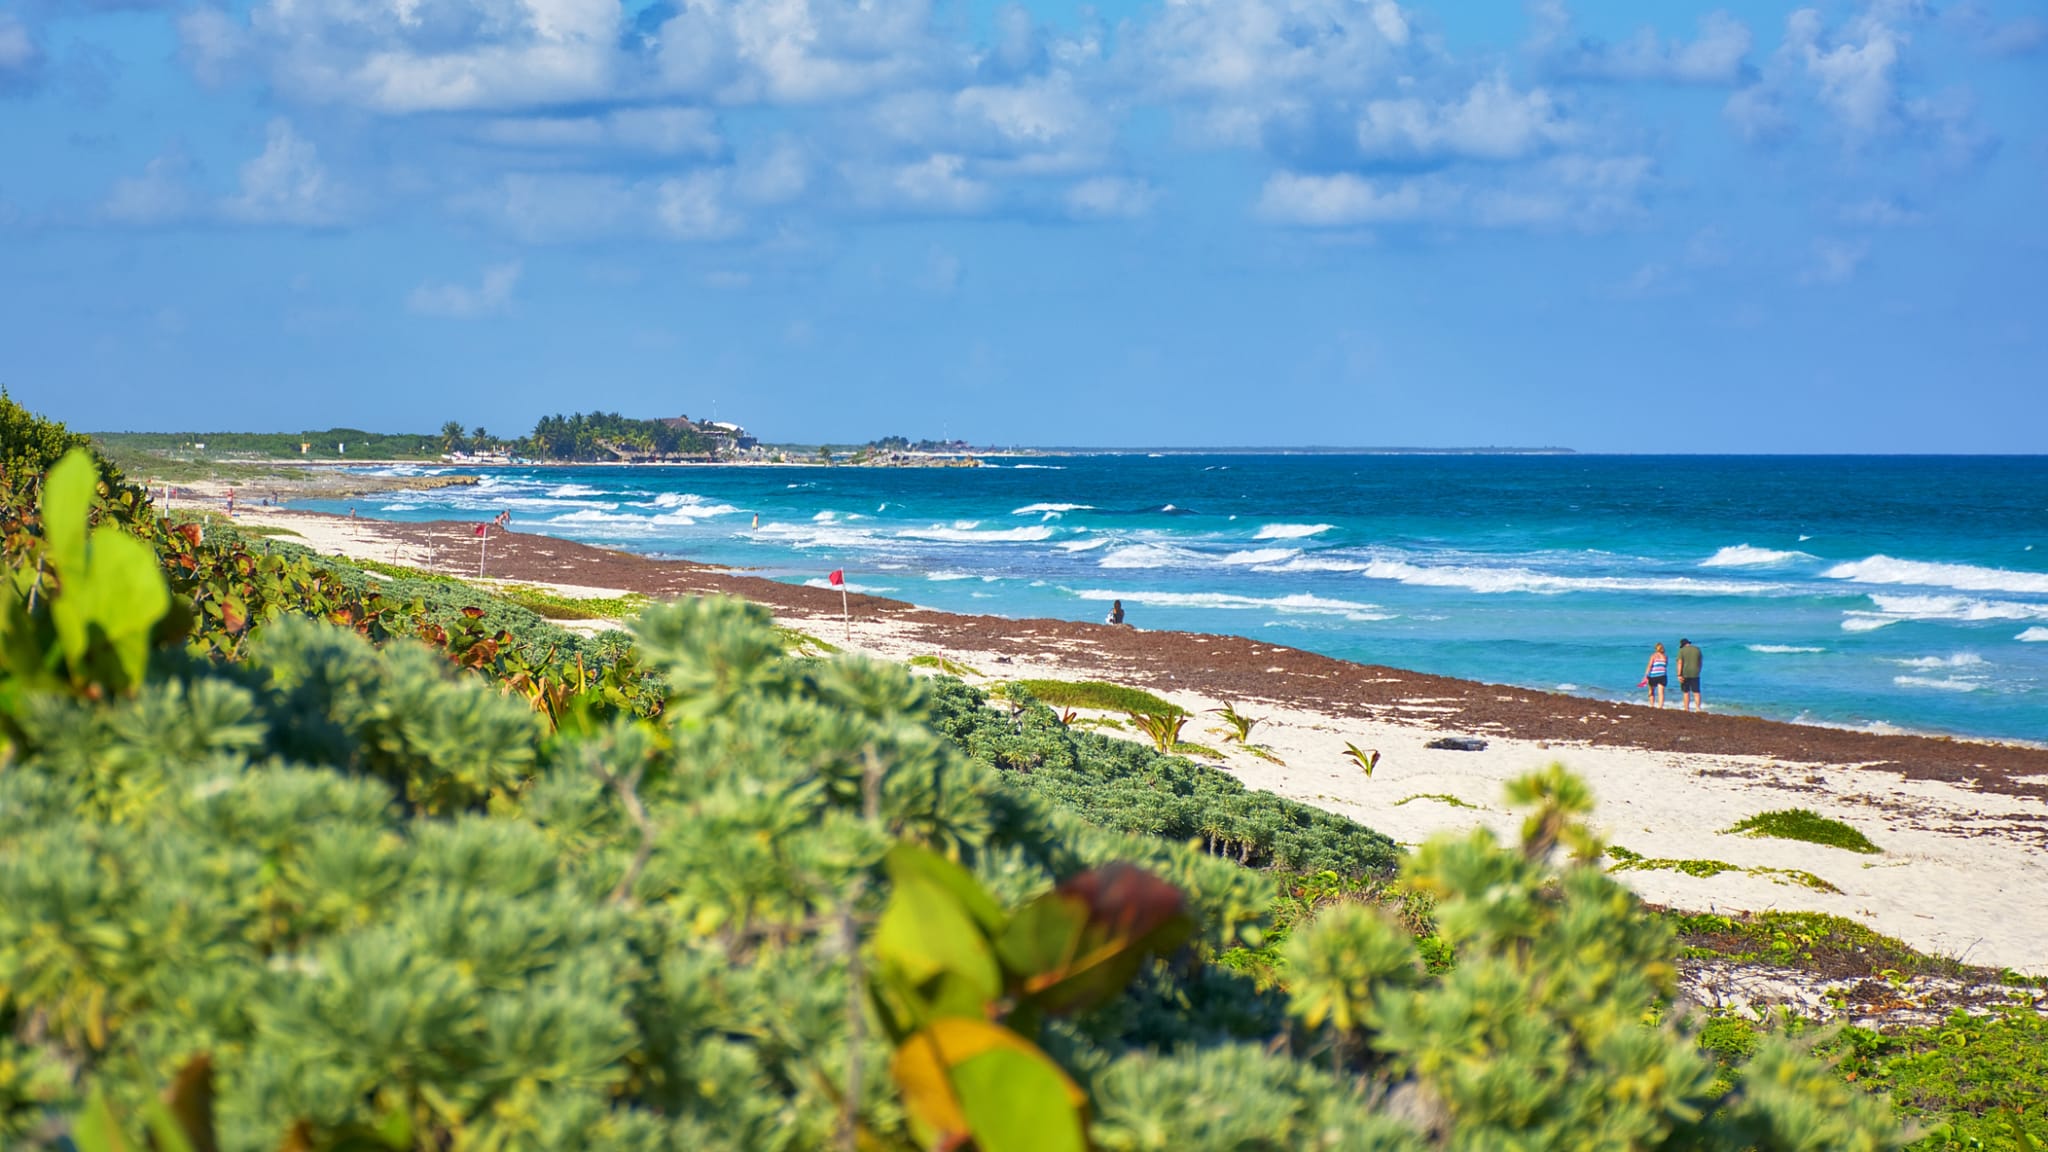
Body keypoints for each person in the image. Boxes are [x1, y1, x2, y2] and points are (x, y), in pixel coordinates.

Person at [1677, 638, 1704, 712]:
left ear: (1683, 645)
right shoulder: (1697, 649)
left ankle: (1686, 708)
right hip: (1695, 673)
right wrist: (1698, 670)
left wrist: (1679, 674)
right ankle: (1698, 708)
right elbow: (1700, 662)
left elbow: (1680, 663)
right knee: (1696, 692)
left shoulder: (1681, 651)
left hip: (1685, 673)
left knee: (1686, 692)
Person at [1643, 642, 1668, 707]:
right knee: (1661, 693)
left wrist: (1646, 675)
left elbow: (1649, 665)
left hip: (1653, 676)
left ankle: (1652, 705)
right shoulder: (1665, 657)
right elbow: (1665, 666)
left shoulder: (1653, 656)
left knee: (1651, 691)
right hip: (1662, 675)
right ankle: (1660, 707)